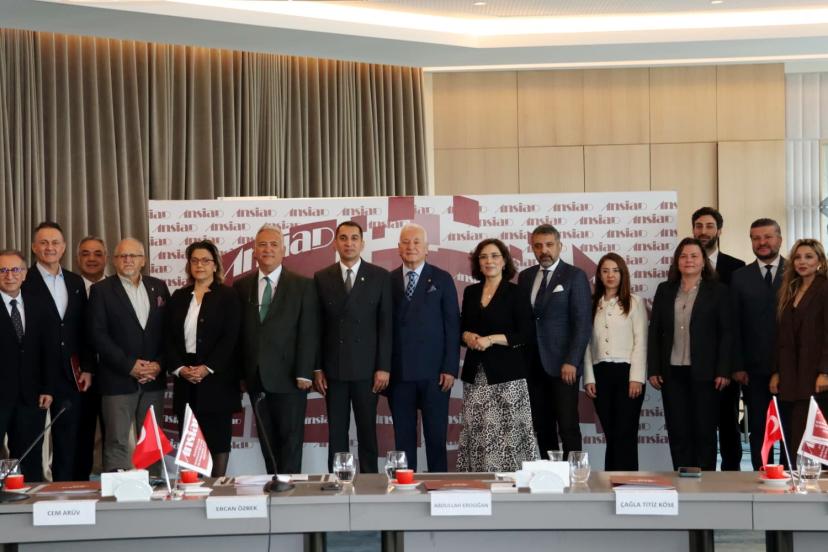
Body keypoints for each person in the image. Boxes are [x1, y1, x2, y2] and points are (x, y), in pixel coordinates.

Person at [234, 226, 319, 474]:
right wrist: (241, 375)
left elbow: (309, 331)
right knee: (267, 444)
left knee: (290, 443)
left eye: (273, 244)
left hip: (291, 378)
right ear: (254, 251)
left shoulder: (303, 285)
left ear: (283, 250)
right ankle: (274, 485)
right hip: (256, 378)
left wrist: (305, 372)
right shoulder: (241, 287)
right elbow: (239, 335)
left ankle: (290, 490)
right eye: (262, 244)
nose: (267, 249)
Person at [648, 237, 733, 471]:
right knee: (678, 431)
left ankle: (705, 481)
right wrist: (653, 368)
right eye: (683, 256)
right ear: (677, 261)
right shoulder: (665, 290)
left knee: (704, 431)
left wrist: (724, 370)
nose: (689, 260)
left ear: (704, 261)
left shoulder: (719, 291)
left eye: (694, 256)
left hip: (706, 373)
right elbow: (655, 332)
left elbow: (727, 333)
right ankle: (683, 479)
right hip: (672, 372)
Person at [314, 221, 391, 474]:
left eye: (354, 238)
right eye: (343, 238)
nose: (349, 243)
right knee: (336, 433)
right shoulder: (322, 277)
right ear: (335, 244)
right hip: (334, 370)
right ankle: (338, 481)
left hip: (368, 371)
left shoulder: (380, 276)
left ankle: (370, 481)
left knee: (367, 432)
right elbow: (317, 327)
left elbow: (385, 326)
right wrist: (317, 368)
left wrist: (383, 367)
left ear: (362, 243)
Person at [88, 238, 169, 473]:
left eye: (133, 255)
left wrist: (158, 365)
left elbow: (169, 332)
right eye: (122, 256)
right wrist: (129, 366)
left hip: (153, 380)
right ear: (114, 261)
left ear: (143, 260)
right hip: (118, 379)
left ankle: (155, 487)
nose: (128, 260)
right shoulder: (101, 290)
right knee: (117, 442)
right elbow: (98, 335)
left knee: (152, 442)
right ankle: (118, 490)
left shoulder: (159, 287)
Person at [457, 238, 537, 472]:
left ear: (504, 261)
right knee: (478, 433)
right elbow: (462, 328)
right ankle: (480, 481)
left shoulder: (517, 292)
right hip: (476, 376)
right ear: (478, 263)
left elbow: (526, 334)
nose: (489, 261)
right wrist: (467, 336)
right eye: (483, 257)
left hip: (508, 376)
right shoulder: (471, 292)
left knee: (509, 436)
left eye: (494, 256)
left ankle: (512, 483)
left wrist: (491, 339)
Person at [23, 221, 92, 481]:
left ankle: (66, 492)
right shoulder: (23, 280)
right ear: (34, 247)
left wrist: (87, 368)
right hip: (34, 375)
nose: (49, 247)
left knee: (68, 441)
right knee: (31, 440)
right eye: (43, 242)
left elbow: (84, 329)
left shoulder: (75, 282)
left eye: (55, 243)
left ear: (63, 248)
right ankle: (31, 493)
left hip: (70, 376)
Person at [388, 223, 460, 473]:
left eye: (417, 242)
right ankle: (404, 487)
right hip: (399, 374)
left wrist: (450, 368)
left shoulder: (442, 278)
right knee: (403, 439)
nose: (411, 247)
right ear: (398, 248)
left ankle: (438, 486)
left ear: (427, 248)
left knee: (436, 438)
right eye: (406, 242)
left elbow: (453, 327)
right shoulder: (387, 280)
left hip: (435, 375)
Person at [167, 240, 241, 477]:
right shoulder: (178, 297)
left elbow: (231, 338)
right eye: (195, 260)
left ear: (215, 265)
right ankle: (193, 489)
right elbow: (168, 338)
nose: (200, 265)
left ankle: (217, 489)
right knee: (191, 442)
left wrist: (207, 368)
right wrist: (180, 368)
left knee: (218, 441)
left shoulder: (228, 296)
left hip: (217, 379)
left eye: (205, 260)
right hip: (185, 379)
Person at [517, 224, 591, 459]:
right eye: (538, 246)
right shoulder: (525, 277)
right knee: (542, 425)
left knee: (568, 426)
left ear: (560, 246)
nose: (544, 250)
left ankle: (574, 473)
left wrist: (572, 360)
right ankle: (549, 474)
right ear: (532, 248)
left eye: (549, 245)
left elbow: (582, 324)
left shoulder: (574, 276)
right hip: (533, 365)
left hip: (563, 366)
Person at [691, 206, 745, 471]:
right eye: (699, 226)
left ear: (719, 231)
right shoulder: (684, 266)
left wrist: (733, 364)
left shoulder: (737, 268)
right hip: (695, 363)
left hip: (725, 363)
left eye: (709, 226)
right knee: (700, 426)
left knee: (728, 424)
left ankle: (732, 476)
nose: (704, 231)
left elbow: (737, 322)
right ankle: (704, 477)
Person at [583, 253, 647, 471]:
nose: (610, 275)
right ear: (599, 275)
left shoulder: (635, 302)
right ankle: (611, 481)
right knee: (611, 434)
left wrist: (637, 378)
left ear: (623, 274)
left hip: (627, 374)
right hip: (600, 374)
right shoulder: (592, 304)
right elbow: (586, 344)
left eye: (615, 270)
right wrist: (589, 378)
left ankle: (629, 482)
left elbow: (641, 341)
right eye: (605, 271)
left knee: (625, 433)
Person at [730, 218, 785, 469]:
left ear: (779, 239)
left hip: (790, 368)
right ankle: (761, 474)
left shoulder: (796, 272)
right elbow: (734, 325)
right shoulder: (740, 277)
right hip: (753, 369)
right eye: (756, 238)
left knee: (789, 427)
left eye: (767, 237)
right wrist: (737, 365)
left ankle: (789, 475)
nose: (762, 242)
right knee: (759, 428)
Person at [0, 250, 56, 482]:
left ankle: (31, 501)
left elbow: (49, 350)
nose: (9, 275)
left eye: (15, 270)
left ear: (24, 273)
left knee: (30, 459)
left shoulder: (38, 304)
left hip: (31, 397)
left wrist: (48, 387)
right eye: (3, 270)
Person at [771, 238, 828, 463]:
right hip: (791, 376)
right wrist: (777, 372)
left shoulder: (824, 288)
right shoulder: (790, 290)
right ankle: (797, 478)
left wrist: (825, 371)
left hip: (816, 375)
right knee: (794, 433)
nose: (802, 262)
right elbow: (782, 337)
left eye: (808, 257)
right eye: (797, 257)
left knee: (815, 435)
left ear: (820, 261)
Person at [74, 236, 109, 480]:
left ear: (106, 258)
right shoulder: (68, 287)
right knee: (80, 436)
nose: (92, 259)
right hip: (79, 377)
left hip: (114, 375)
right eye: (85, 253)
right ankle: (79, 485)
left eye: (97, 253)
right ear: (77, 258)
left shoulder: (117, 288)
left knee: (115, 436)